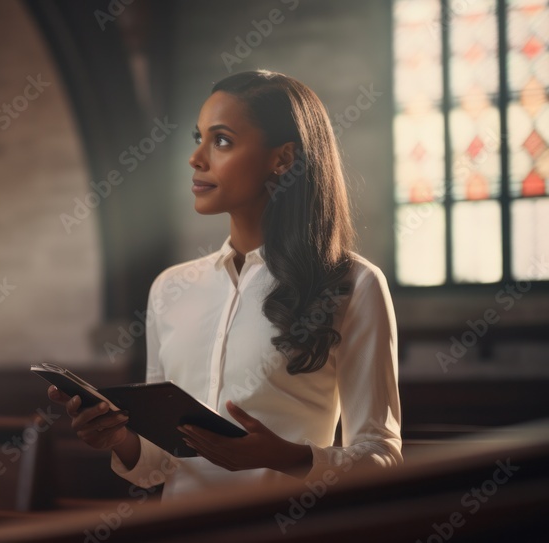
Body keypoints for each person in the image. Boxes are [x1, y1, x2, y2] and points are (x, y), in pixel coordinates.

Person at [49, 70, 402, 498]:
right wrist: (117, 439)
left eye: (221, 141)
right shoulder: (170, 288)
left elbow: (382, 456)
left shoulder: (353, 284)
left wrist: (285, 456)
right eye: (198, 138)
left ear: (283, 158)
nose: (196, 158)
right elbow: (159, 465)